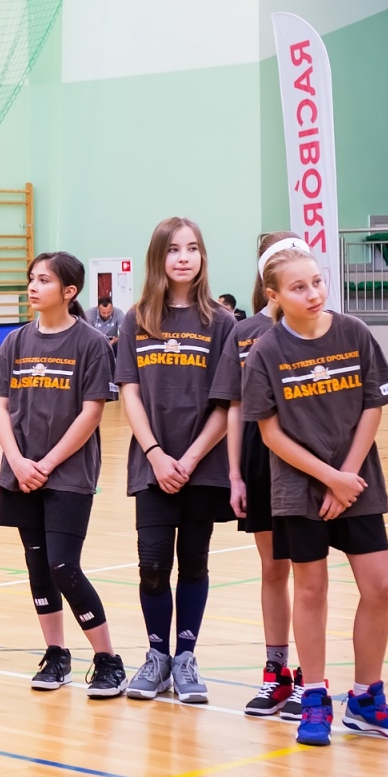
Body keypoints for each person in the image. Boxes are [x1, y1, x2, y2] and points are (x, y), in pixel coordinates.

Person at [243, 242, 388, 745]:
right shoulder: (266, 352)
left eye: (317, 281)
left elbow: (373, 404)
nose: (313, 293)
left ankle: (367, 699)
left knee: (381, 585)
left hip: (356, 482)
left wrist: (345, 477)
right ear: (275, 295)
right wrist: (327, 478)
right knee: (311, 589)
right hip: (299, 488)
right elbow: (270, 434)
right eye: (299, 287)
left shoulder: (354, 332)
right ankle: (316, 698)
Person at [0, 251, 127, 697]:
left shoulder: (89, 343)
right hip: (21, 472)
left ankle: (108, 659)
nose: (33, 286)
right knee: (37, 567)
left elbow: (90, 413)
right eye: (31, 278)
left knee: (63, 565)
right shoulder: (14, 342)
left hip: (68, 475)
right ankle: (56, 655)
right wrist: (17, 460)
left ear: (69, 292)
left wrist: (46, 464)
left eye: (43, 280)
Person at [115, 217, 235, 704]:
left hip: (201, 466)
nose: (183, 257)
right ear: (158, 258)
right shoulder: (136, 318)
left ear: (202, 257)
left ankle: (185, 657)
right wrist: (157, 455)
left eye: (192, 249)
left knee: (195, 562)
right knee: (152, 564)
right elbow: (129, 392)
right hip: (153, 466)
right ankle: (156, 656)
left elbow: (227, 404)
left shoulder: (221, 322)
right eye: (173, 249)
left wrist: (187, 458)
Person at [210, 232, 300, 718]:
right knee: (273, 568)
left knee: (311, 572)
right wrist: (235, 474)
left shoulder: (324, 329)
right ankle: (276, 673)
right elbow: (234, 406)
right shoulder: (245, 334)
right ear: (269, 282)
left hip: (308, 459)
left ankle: (311, 676)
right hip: (258, 460)